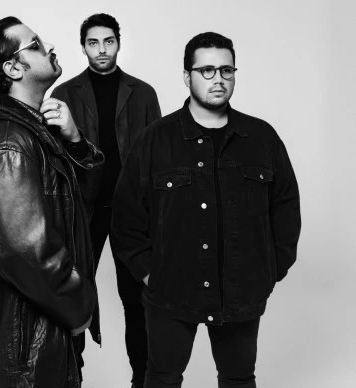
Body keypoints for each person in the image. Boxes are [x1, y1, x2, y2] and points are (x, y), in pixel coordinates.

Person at [111, 32, 301, 388]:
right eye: (207, 70)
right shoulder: (155, 139)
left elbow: (286, 209)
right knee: (162, 378)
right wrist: (149, 273)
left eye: (227, 70)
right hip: (171, 290)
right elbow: (125, 216)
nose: (218, 79)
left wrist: (271, 269)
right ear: (187, 77)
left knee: (238, 378)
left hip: (241, 289)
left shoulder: (262, 138)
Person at [0, 16, 102, 387]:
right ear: (13, 68)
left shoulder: (34, 130)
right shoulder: (9, 144)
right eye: (37, 44)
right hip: (30, 338)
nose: (50, 47)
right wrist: (79, 306)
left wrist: (74, 141)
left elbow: (85, 203)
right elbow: (24, 250)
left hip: (44, 329)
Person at [51, 13, 160, 387]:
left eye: (108, 41)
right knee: (73, 296)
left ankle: (143, 380)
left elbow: (157, 159)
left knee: (137, 300)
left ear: (118, 44)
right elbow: (53, 160)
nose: (101, 49)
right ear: (83, 46)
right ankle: (72, 377)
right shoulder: (64, 94)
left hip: (132, 212)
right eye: (93, 42)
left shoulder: (142, 93)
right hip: (83, 210)